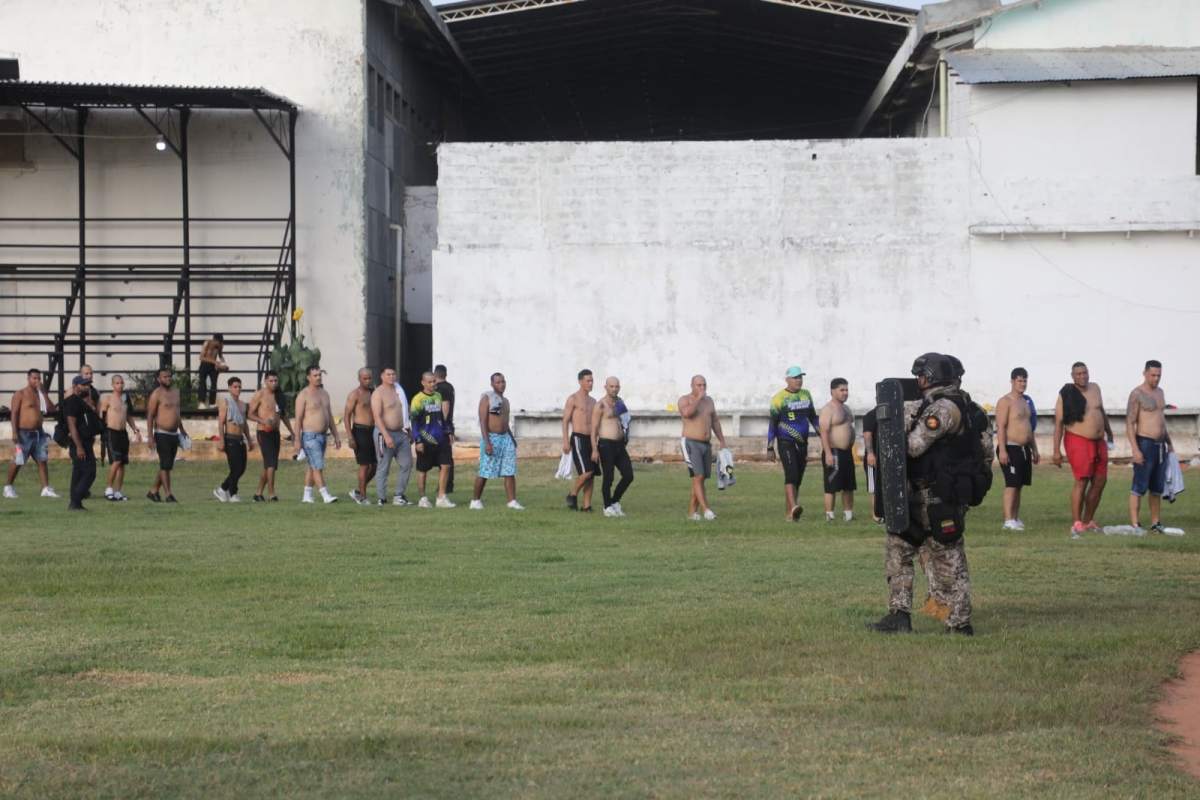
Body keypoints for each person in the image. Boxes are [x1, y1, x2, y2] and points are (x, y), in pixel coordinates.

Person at [868, 353, 992, 636]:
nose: (918, 381)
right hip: (944, 494)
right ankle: (905, 616)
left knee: (945, 556)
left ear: (929, 378)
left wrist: (900, 418)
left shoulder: (942, 409)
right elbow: (986, 453)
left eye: (920, 376)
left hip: (932, 495)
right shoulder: (973, 409)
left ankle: (955, 622)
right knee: (904, 548)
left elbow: (913, 446)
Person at [1052, 361, 1113, 537]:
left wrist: (1109, 432)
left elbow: (1101, 411)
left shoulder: (1095, 388)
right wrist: (1056, 450)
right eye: (1078, 374)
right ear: (1072, 376)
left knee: (1100, 481)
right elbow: (1059, 424)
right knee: (1082, 481)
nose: (1082, 376)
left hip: (1099, 441)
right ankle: (1077, 522)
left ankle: (1088, 520)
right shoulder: (1066, 393)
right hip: (1078, 440)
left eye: (1085, 373)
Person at [767, 366, 820, 522]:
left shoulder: (806, 395)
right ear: (787, 380)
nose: (799, 380)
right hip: (786, 441)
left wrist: (822, 434)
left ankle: (791, 513)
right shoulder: (778, 398)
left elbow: (813, 417)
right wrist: (770, 447)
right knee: (791, 474)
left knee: (798, 479)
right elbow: (773, 424)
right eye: (795, 378)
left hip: (802, 442)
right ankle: (794, 506)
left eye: (800, 377)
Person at [1126, 360, 1173, 533]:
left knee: (1157, 488)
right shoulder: (1137, 394)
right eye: (1153, 375)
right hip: (1144, 443)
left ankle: (1155, 522)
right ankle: (1135, 524)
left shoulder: (1160, 392)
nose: (1156, 378)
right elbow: (1129, 423)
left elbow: (1161, 420)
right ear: (1145, 373)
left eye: (1159, 375)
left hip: (1160, 445)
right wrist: (1135, 449)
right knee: (1139, 486)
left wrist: (1169, 443)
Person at [678, 375, 728, 521]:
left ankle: (692, 513)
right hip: (690, 443)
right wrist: (698, 398)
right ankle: (706, 510)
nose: (702, 388)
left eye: (704, 385)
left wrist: (722, 440)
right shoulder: (684, 400)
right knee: (698, 476)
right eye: (699, 385)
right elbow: (687, 413)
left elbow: (715, 421)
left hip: (706, 444)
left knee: (700, 478)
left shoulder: (709, 401)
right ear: (692, 386)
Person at [470, 372, 523, 510]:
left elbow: (505, 421)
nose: (501, 384)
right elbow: (482, 421)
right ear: (492, 384)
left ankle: (512, 501)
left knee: (509, 470)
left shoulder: (506, 401)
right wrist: (487, 442)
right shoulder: (486, 398)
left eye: (503, 381)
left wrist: (512, 439)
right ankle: (475, 501)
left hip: (506, 438)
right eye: (498, 382)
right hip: (491, 438)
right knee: (485, 470)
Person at [995, 367, 1039, 531]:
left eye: (1025, 381)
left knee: (1020, 484)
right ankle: (1008, 520)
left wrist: (1034, 449)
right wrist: (1003, 450)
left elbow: (1029, 427)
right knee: (1012, 484)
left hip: (1024, 448)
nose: (1022, 384)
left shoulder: (1026, 402)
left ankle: (1015, 517)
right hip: (1010, 447)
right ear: (1012, 381)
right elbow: (1001, 427)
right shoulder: (1005, 401)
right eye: (1019, 381)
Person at [4, 367, 58, 499]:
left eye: (39, 378)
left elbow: (51, 409)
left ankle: (45, 488)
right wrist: (14, 432)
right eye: (34, 378)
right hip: (24, 433)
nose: (37, 381)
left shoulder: (40, 394)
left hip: (39, 432)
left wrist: (44, 393)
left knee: (42, 460)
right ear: (28, 379)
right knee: (19, 460)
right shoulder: (20, 394)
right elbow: (14, 413)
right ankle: (8, 487)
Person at [293, 365, 341, 503]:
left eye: (320, 375)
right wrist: (297, 440)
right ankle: (325, 495)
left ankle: (307, 495)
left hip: (322, 436)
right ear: (308, 377)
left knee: (312, 466)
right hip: (310, 437)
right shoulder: (303, 395)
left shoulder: (324, 393)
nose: (318, 377)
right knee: (317, 466)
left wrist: (336, 435)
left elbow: (329, 416)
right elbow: (298, 419)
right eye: (315, 375)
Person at [247, 370, 294, 502]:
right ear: (266, 381)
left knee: (268, 465)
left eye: (276, 381)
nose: (274, 383)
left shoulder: (279, 396)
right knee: (271, 464)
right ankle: (272, 494)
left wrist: (292, 431)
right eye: (271, 381)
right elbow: (250, 414)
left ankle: (258, 494)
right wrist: (263, 421)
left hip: (275, 433)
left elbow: (283, 415)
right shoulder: (260, 394)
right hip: (263, 432)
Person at [411, 371, 456, 508]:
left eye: (434, 381)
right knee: (423, 470)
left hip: (440, 438)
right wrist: (418, 440)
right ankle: (423, 498)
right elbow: (414, 422)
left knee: (446, 465)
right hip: (426, 439)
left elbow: (441, 417)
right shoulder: (418, 399)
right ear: (423, 383)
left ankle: (441, 497)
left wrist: (448, 431)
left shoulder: (438, 396)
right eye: (429, 382)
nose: (432, 384)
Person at [590, 375, 633, 517]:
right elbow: (594, 429)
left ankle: (615, 501)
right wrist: (594, 449)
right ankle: (607, 506)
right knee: (608, 477)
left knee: (628, 475)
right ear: (606, 387)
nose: (614, 389)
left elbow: (625, 421)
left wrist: (626, 436)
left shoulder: (620, 403)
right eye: (611, 386)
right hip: (606, 444)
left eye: (616, 386)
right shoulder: (600, 405)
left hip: (620, 444)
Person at [371, 367, 413, 506]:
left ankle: (399, 495)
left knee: (407, 464)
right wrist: (386, 435)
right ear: (382, 376)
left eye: (393, 374)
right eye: (388, 374)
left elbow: (405, 411)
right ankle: (381, 497)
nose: (391, 377)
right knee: (384, 465)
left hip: (401, 433)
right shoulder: (378, 393)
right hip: (384, 433)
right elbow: (377, 417)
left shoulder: (399, 390)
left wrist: (409, 430)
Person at [146, 366, 188, 503]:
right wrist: (150, 436)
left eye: (169, 376)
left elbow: (177, 413)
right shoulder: (156, 394)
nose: (168, 379)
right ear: (159, 379)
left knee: (167, 464)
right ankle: (168, 494)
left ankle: (153, 491)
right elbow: (150, 416)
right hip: (161, 433)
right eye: (165, 377)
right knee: (165, 465)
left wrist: (182, 429)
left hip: (174, 434)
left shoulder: (176, 392)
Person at [819, 378, 856, 522]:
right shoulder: (828, 409)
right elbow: (824, 432)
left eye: (846, 390)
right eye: (842, 390)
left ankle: (848, 514)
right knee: (831, 485)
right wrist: (828, 453)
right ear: (832, 391)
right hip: (833, 451)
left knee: (848, 485)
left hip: (847, 452)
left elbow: (850, 428)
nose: (845, 393)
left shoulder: (847, 409)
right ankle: (830, 515)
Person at [99, 374, 141, 501]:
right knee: (116, 461)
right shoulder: (108, 399)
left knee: (122, 463)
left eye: (122, 383)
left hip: (123, 433)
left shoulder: (125, 399)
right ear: (113, 385)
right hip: (112, 432)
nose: (120, 385)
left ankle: (118, 491)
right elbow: (102, 416)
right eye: (117, 383)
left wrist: (135, 430)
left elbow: (128, 416)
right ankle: (108, 489)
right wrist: (103, 431)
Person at [63, 374, 101, 511]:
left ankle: (75, 504)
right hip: (79, 443)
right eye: (83, 385)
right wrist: (79, 447)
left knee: (78, 473)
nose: (87, 387)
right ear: (75, 386)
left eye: (88, 384)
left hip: (86, 442)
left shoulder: (82, 401)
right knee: (90, 472)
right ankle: (76, 498)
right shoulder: (72, 402)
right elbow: (72, 426)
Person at [214, 376, 253, 502]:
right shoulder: (225, 402)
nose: (238, 389)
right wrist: (221, 440)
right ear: (230, 388)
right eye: (235, 387)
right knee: (236, 468)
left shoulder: (243, 405)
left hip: (240, 439)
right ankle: (232, 493)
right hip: (230, 439)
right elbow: (221, 423)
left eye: (239, 387)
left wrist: (249, 439)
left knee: (242, 468)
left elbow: (244, 424)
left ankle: (222, 489)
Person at [562, 368, 597, 511]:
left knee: (591, 474)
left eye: (592, 381)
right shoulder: (573, 399)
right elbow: (565, 421)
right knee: (586, 472)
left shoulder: (593, 401)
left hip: (591, 439)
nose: (591, 383)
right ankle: (572, 494)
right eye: (588, 381)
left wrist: (596, 445)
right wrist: (565, 441)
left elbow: (596, 424)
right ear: (580, 381)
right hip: (578, 438)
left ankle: (586, 506)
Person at [344, 368, 377, 504]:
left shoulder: (374, 392)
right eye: (365, 378)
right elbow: (346, 416)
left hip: (373, 431)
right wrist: (350, 437)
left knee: (374, 466)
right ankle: (363, 496)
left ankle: (359, 491)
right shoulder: (354, 394)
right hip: (360, 431)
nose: (368, 381)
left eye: (369, 378)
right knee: (364, 465)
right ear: (359, 379)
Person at [434, 364, 456, 494]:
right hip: (448, 425)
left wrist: (443, 425)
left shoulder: (441, 389)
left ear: (435, 374)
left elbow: (445, 408)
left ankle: (446, 485)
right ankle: (447, 485)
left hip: (442, 427)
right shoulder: (449, 387)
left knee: (444, 457)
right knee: (446, 457)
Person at [861, 407, 883, 524]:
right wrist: (870, 453)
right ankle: (876, 515)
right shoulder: (871, 415)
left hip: (885, 457)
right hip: (873, 457)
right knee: (874, 487)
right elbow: (867, 434)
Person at [197, 333, 225, 409]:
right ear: (214, 340)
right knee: (202, 383)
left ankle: (212, 403)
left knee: (214, 383)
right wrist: (214, 362)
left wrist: (223, 364)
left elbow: (220, 355)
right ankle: (201, 403)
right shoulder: (207, 343)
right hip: (204, 364)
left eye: (220, 342)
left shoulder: (220, 345)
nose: (218, 344)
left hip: (213, 366)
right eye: (218, 342)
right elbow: (201, 357)